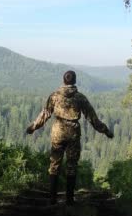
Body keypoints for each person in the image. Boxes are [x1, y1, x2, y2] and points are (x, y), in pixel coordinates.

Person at [26, 70, 114, 206]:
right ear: (74, 81)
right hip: (73, 133)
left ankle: (52, 199)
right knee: (72, 165)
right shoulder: (80, 98)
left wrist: (33, 127)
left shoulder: (54, 96)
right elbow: (92, 118)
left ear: (64, 80)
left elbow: (45, 114)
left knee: (54, 164)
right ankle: (69, 199)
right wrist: (106, 131)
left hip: (58, 133)